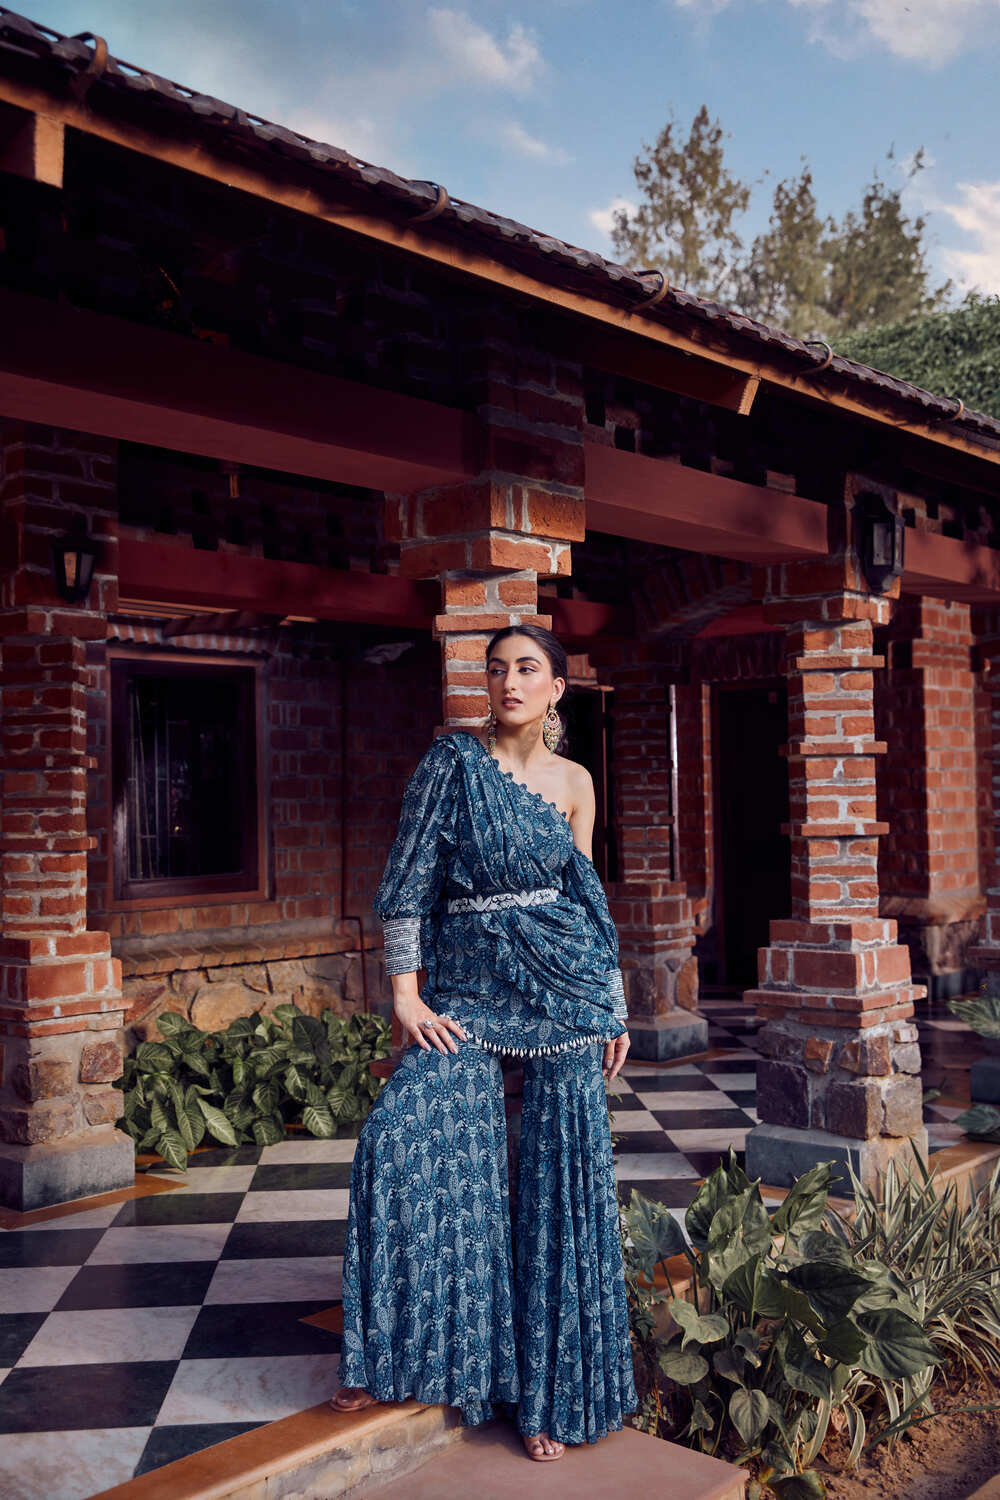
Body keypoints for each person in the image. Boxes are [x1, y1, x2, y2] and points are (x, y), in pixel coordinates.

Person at [329, 623, 637, 1462]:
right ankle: (395, 1353)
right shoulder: (451, 766)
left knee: (559, 1183)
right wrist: (405, 993)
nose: (507, 682)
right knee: (395, 1138)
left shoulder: (575, 782)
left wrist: (609, 1003)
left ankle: (548, 1395)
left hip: (561, 995)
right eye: (495, 669)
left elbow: (583, 901)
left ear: (556, 689)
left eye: (526, 669)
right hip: (464, 995)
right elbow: (405, 881)